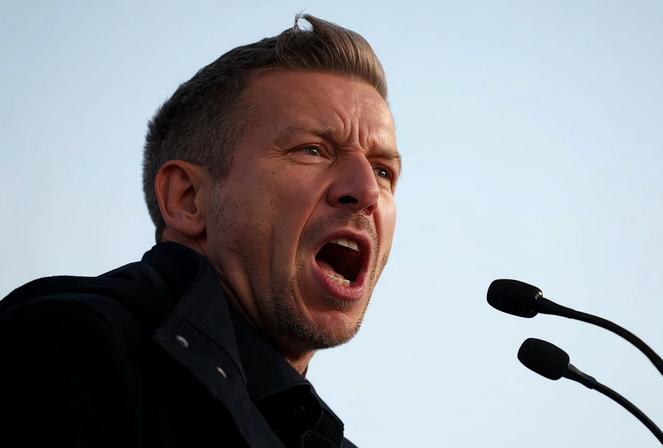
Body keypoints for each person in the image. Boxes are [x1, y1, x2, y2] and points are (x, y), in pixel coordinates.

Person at [0, 14, 400, 448]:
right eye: (312, 150)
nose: (366, 192)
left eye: (383, 170)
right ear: (188, 199)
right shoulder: (68, 347)